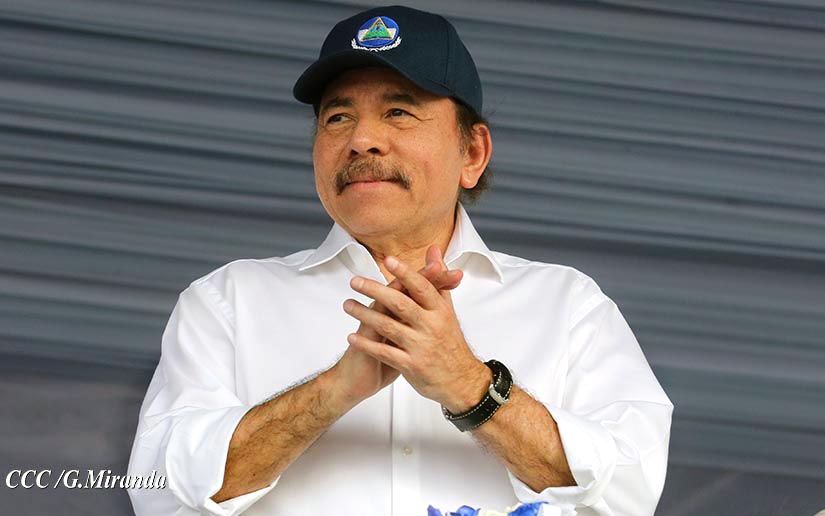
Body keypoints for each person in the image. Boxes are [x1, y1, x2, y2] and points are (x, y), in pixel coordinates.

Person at [127, 5, 673, 516]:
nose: (363, 139)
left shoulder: (568, 305)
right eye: (338, 117)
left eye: (398, 111)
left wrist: (470, 385)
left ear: (472, 153)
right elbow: (157, 493)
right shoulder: (226, 301)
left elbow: (629, 494)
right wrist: (331, 392)